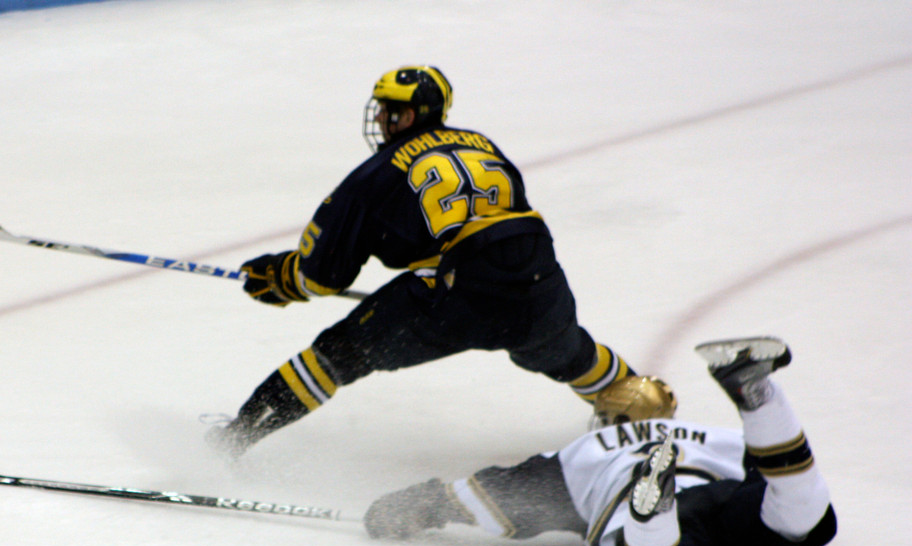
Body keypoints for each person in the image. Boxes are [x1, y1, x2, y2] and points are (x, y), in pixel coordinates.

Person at [207, 65, 637, 455]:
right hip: (540, 281)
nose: (378, 119)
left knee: (336, 354)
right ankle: (645, 420)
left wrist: (281, 277)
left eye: (388, 110)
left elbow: (323, 275)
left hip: (450, 298)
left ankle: (234, 440)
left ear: (409, 117)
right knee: (576, 355)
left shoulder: (377, 173)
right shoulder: (484, 145)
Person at [363, 336, 837, 546]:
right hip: (729, 497)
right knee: (804, 516)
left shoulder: (585, 451)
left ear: (611, 420)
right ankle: (756, 392)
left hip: (662, 529)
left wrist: (418, 506)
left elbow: (497, 497)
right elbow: (769, 466)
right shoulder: (715, 434)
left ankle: (654, 513)